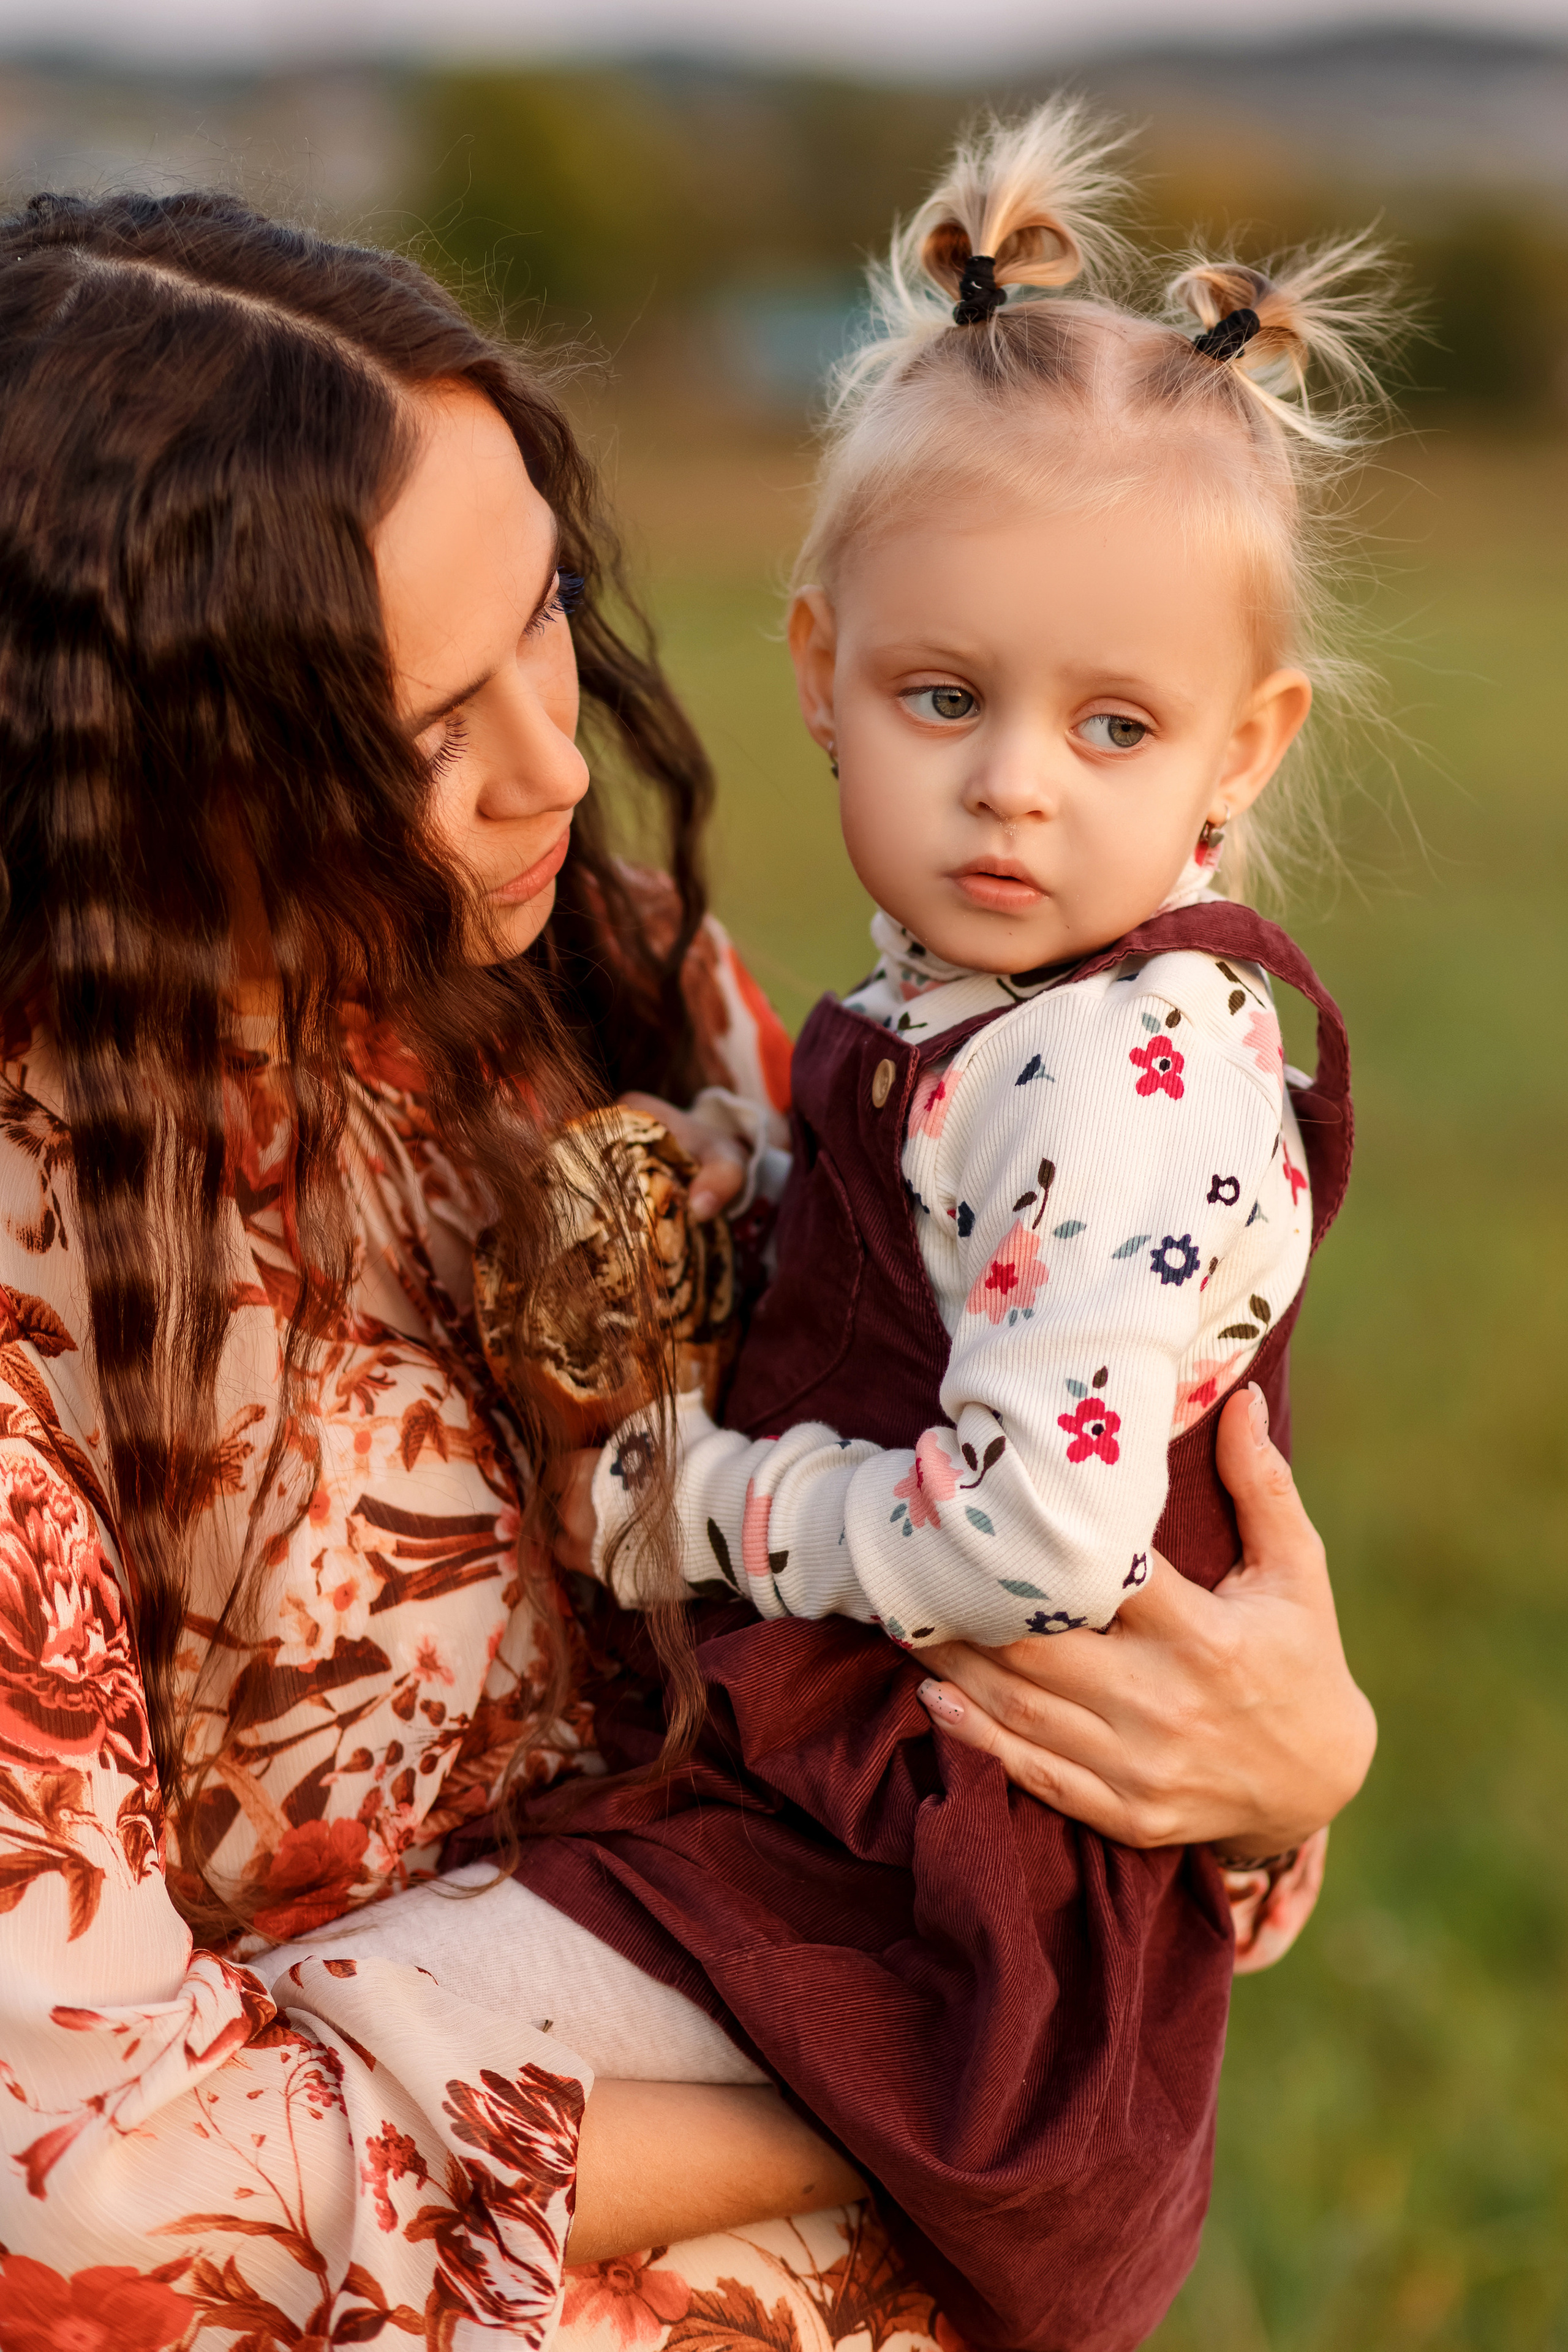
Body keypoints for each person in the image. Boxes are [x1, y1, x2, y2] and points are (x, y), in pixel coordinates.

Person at [0, 187, 1371, 2352]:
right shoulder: (36, 1294)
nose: (557, 769)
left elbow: (1038, 1486)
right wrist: (928, 2097)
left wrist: (1277, 1765)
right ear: (133, 782)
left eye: (541, 618)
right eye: (414, 731)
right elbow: (98, 2197)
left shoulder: (602, 974)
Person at [534, 103, 1395, 2350]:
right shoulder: (988, 1017)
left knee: (424, 2062)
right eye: (947, 698)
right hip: (894, 1786)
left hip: (974, 1867)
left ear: (1245, 746)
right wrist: (776, 1174)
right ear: (819, 672)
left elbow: (1028, 1541)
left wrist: (703, 1500)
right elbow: (930, 1270)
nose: (1017, 780)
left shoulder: (1113, 1072)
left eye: (1114, 724)